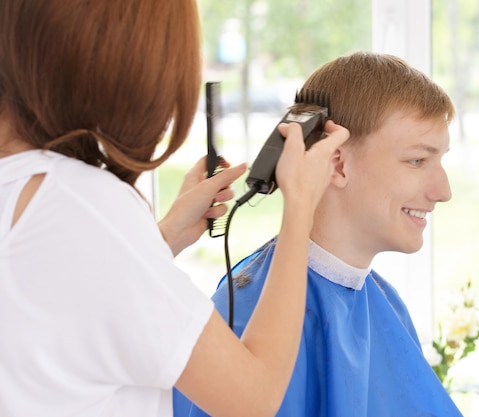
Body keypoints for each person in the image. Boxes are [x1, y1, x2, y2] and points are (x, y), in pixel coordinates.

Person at [0, 1, 349, 417]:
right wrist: (301, 205)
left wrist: (162, 239)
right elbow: (252, 398)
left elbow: (56, 300)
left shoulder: (28, 191)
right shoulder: (79, 200)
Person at [173, 51, 464, 417]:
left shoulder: (382, 300)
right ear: (336, 164)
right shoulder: (248, 320)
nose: (443, 191)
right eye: (417, 161)